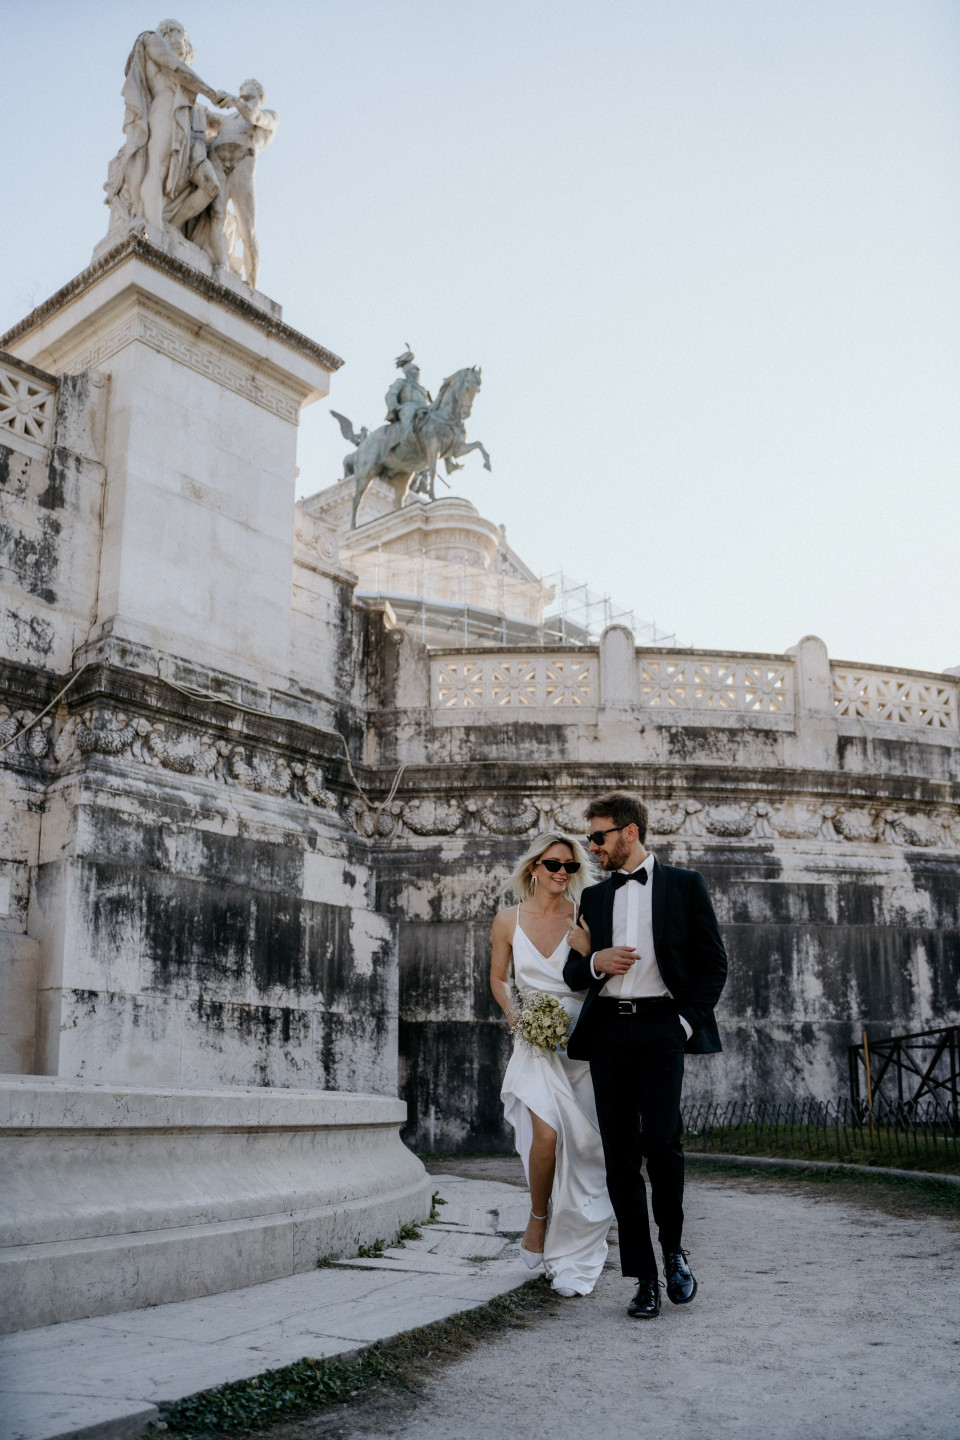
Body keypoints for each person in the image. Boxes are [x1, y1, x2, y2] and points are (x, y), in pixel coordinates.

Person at [563, 791, 727, 1319]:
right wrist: (596, 964)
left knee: (662, 1141)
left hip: (663, 1028)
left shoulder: (684, 885)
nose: (591, 847)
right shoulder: (593, 900)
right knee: (619, 1157)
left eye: (599, 836)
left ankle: (674, 1251)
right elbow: (572, 973)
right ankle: (644, 1278)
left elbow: (713, 965)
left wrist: (682, 1024)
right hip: (609, 1032)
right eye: (590, 837)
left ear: (629, 832)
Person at [491, 831, 614, 1297]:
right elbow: (498, 978)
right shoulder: (507, 920)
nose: (561, 873)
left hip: (580, 1042)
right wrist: (517, 1018)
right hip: (534, 1037)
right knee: (547, 1134)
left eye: (569, 867)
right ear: (533, 869)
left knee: (584, 1150)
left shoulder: (585, 917)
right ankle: (538, 1218)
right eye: (553, 865)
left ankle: (575, 1240)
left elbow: (595, 975)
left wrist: (587, 949)